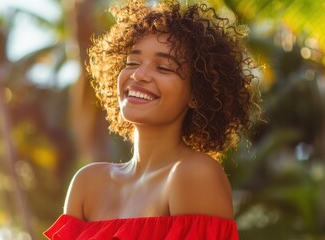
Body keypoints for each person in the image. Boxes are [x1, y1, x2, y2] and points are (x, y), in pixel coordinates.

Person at [45, 0, 259, 239]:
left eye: (164, 68)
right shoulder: (87, 183)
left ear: (197, 94)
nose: (138, 74)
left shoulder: (192, 174)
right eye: (132, 63)